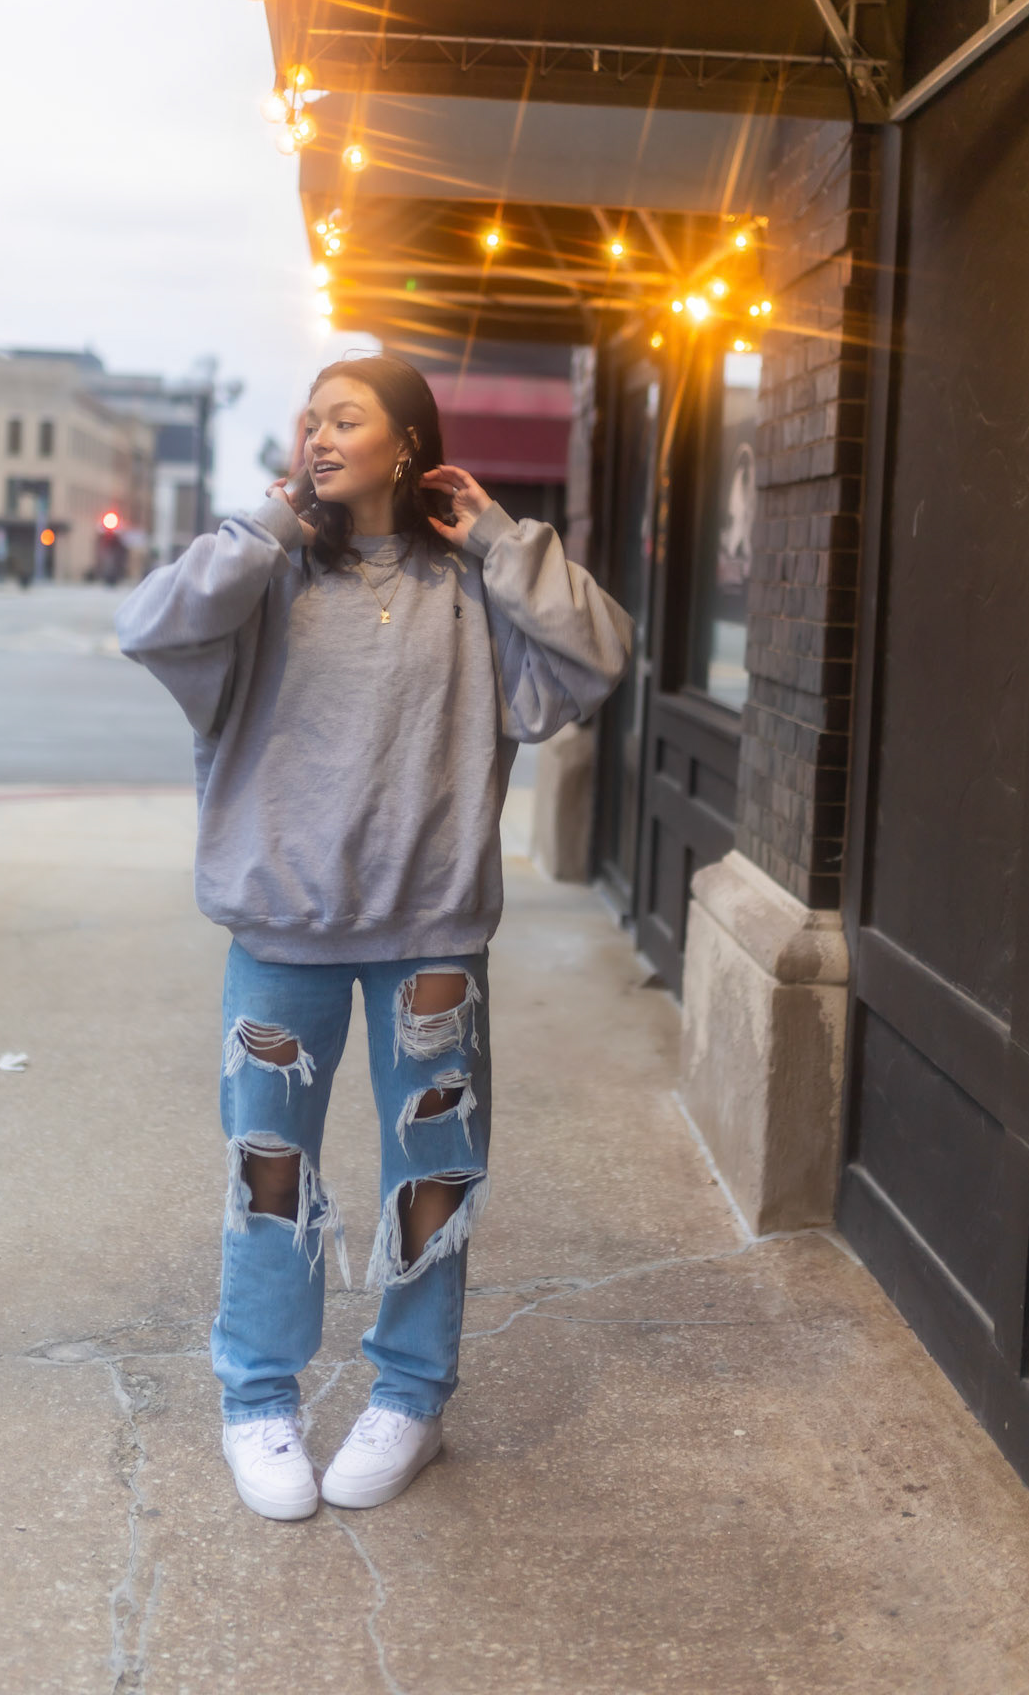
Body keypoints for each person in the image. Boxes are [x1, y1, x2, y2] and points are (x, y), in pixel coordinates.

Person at [116, 354, 632, 1521]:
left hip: (430, 931)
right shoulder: (265, 573)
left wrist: (502, 539)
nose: (317, 433)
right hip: (280, 926)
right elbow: (148, 624)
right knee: (269, 1173)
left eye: (344, 417)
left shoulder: (474, 586)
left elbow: (599, 651)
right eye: (309, 417)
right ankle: (258, 1396)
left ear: (407, 443)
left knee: (433, 1175)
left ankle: (410, 1394)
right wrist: (263, 528)